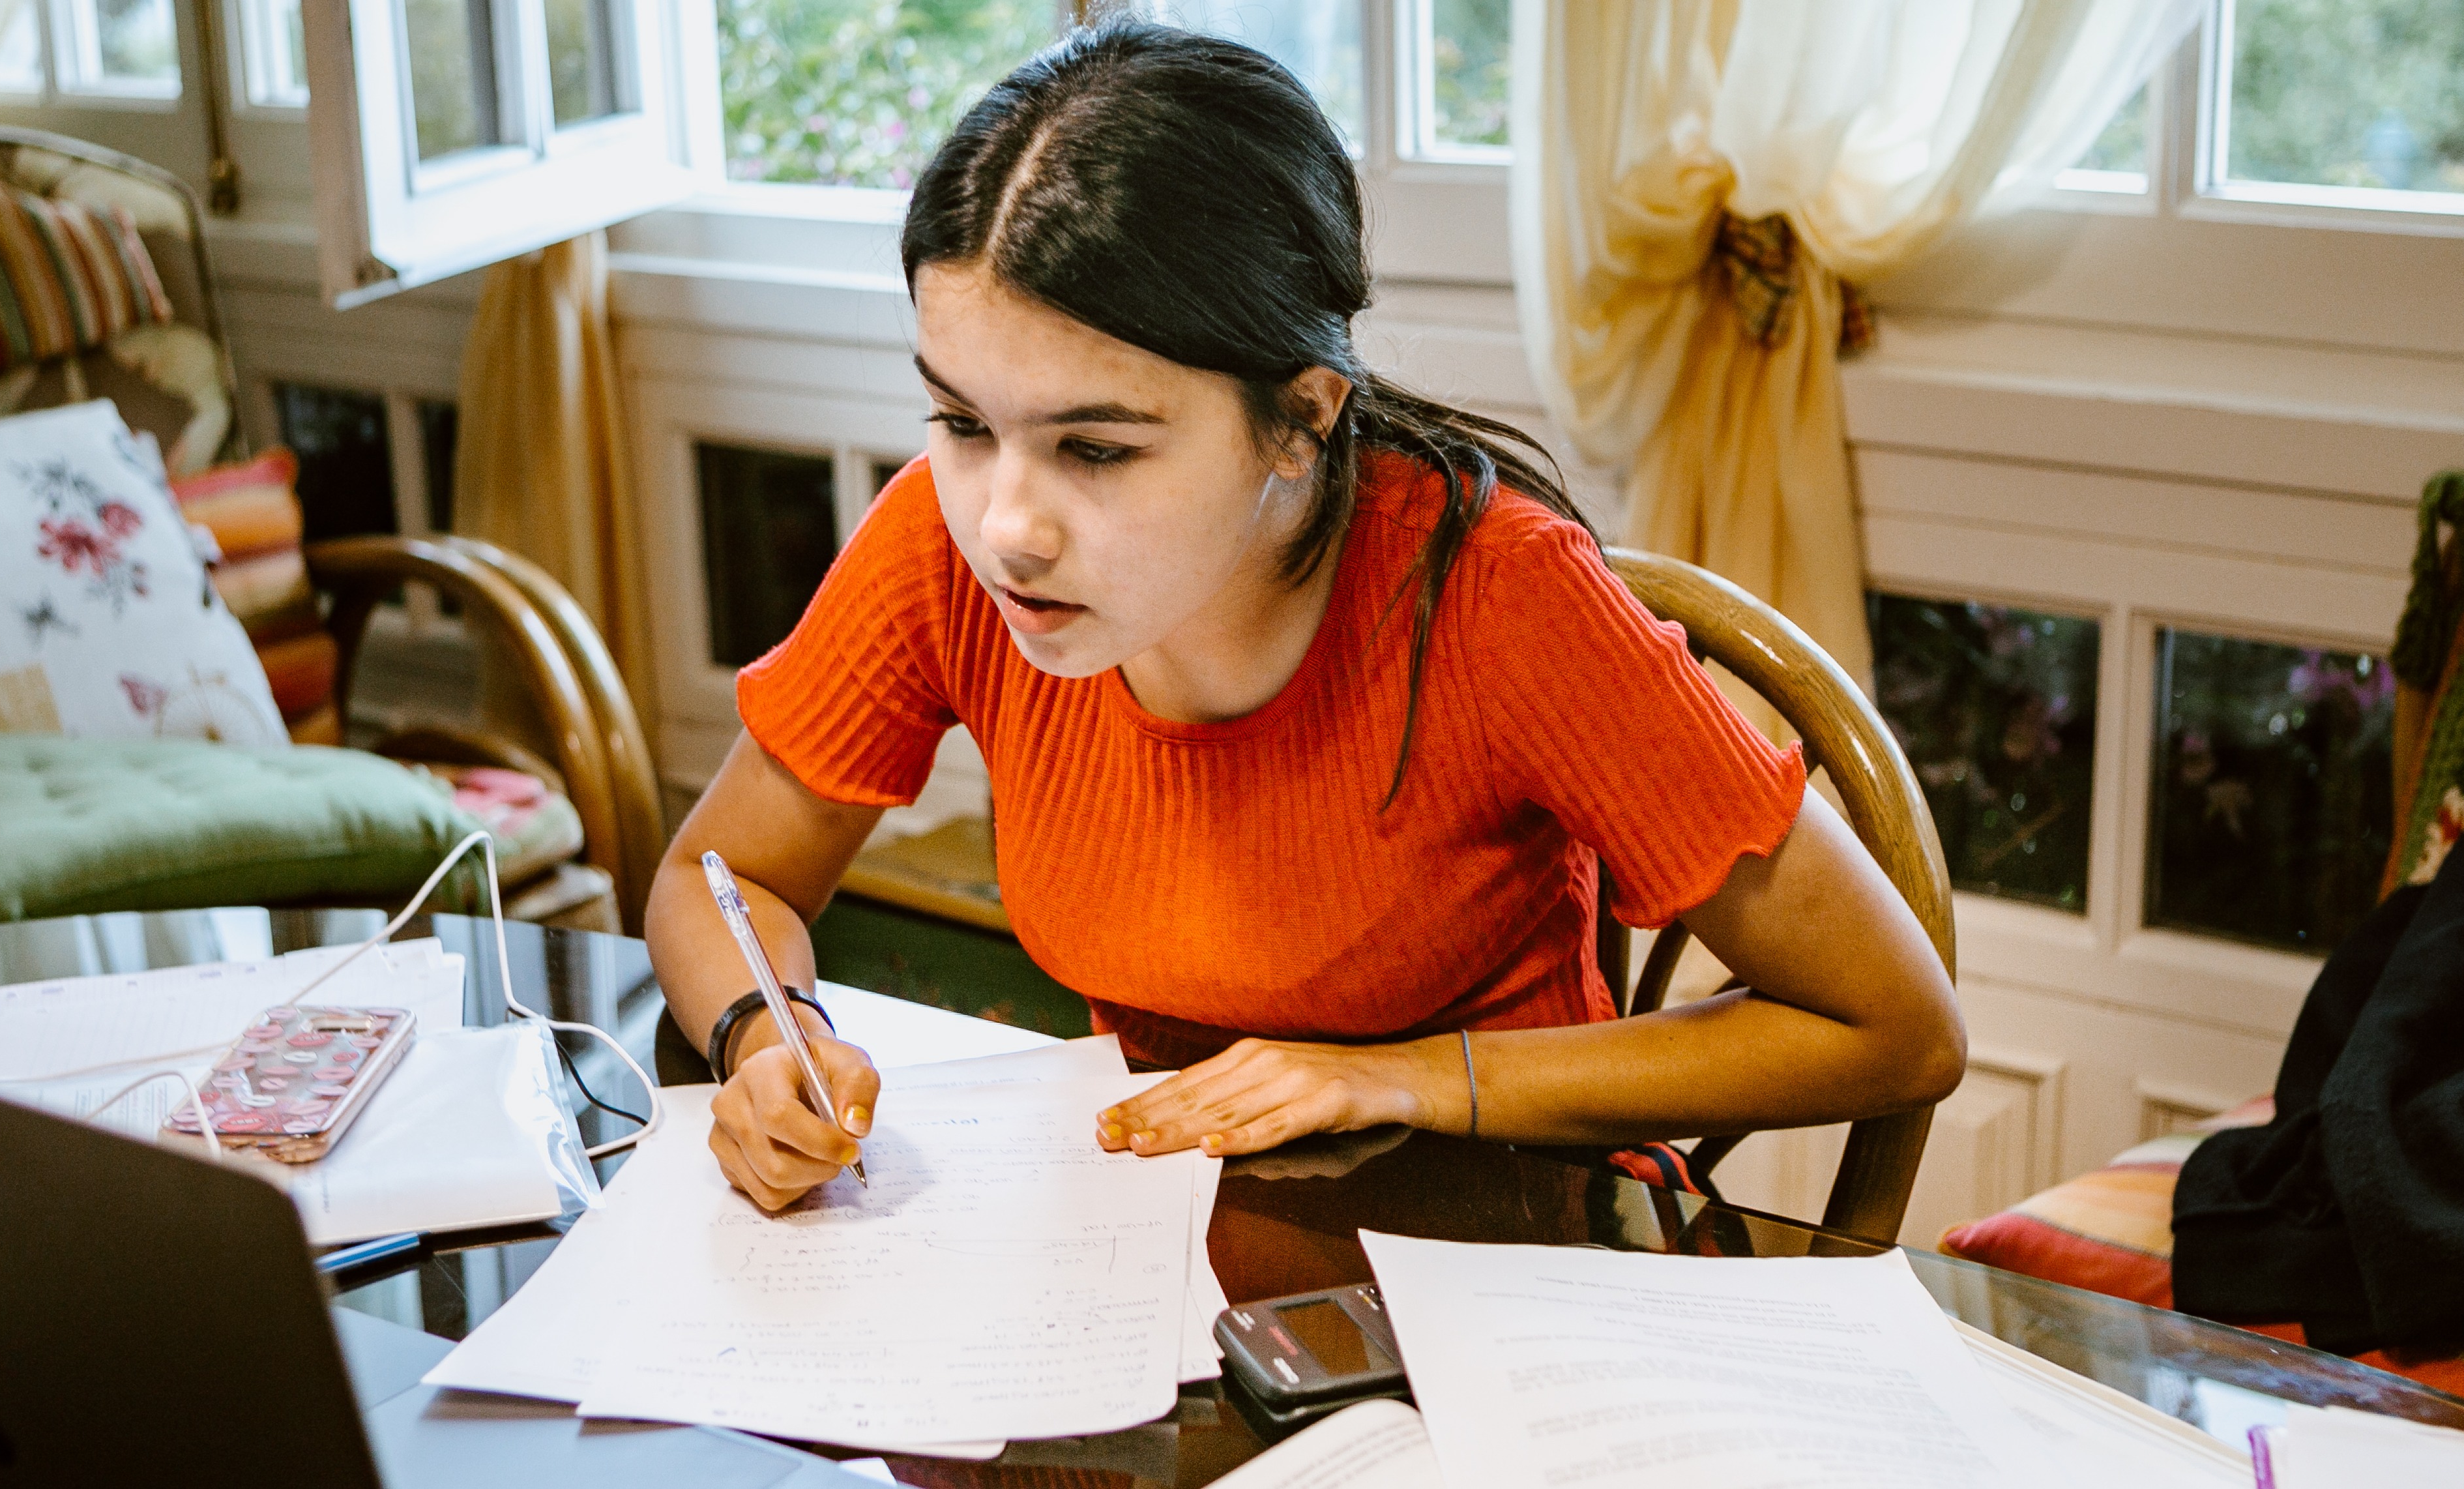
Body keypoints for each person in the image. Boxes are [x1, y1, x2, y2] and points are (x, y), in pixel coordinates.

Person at [648, 22, 1965, 1212]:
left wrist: (1397, 1077)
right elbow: (725, 877)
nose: (1005, 522)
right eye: (960, 422)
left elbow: (1896, 1026)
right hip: (1161, 1232)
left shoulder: (1500, 597)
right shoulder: (945, 549)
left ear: (1302, 418)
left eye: (1097, 449)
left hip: (1506, 1236)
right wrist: (770, 1037)